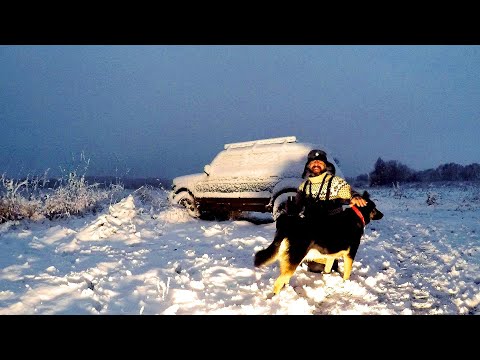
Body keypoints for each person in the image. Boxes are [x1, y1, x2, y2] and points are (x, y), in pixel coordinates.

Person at [292, 149, 367, 273]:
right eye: (313, 162)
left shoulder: (335, 182)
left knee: (317, 268)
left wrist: (354, 196)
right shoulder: (304, 186)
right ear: (308, 166)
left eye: (320, 162)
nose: (316, 164)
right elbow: (297, 206)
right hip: (311, 230)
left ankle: (331, 258)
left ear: (325, 165)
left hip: (331, 231)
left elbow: (348, 191)